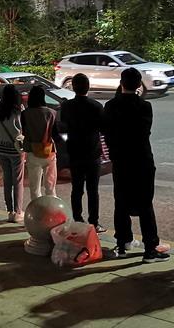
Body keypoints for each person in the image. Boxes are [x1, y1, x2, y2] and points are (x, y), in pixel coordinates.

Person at [104, 68, 169, 262]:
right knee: (145, 203)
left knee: (121, 201)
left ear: (121, 83)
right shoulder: (144, 106)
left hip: (120, 160)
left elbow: (107, 134)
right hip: (141, 160)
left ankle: (122, 243)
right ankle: (150, 249)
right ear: (139, 84)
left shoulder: (110, 106)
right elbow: (144, 132)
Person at [59, 73, 105, 233]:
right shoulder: (96, 106)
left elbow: (63, 126)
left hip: (75, 152)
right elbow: (103, 128)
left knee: (77, 189)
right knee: (93, 190)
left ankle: (77, 218)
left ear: (73, 87)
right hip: (92, 153)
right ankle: (94, 222)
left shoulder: (67, 106)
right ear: (88, 87)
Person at [0, 84, 25, 222]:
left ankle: (10, 211)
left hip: (1, 149)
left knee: (7, 180)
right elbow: (21, 129)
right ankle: (18, 212)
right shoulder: (18, 111)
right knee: (17, 181)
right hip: (15, 149)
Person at [21, 85, 57, 201]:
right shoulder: (52, 113)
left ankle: (37, 210)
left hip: (32, 152)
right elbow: (55, 133)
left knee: (35, 189)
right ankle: (51, 209)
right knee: (50, 187)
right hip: (49, 151)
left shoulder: (25, 114)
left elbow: (24, 132)